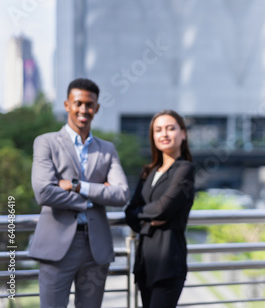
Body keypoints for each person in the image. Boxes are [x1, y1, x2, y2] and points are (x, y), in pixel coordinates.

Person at [29, 78, 130, 308]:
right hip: (57, 247)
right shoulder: (46, 143)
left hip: (96, 248)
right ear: (67, 105)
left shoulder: (107, 149)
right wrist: (94, 198)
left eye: (89, 104)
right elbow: (44, 193)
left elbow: (122, 194)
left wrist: (77, 186)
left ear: (97, 108)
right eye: (78, 103)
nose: (84, 109)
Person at [125, 110, 195, 308]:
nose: (164, 134)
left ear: (183, 134)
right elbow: (129, 212)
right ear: (153, 136)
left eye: (170, 128)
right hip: (145, 263)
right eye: (158, 130)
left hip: (168, 263)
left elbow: (164, 208)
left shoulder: (184, 170)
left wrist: (142, 217)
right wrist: (150, 221)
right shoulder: (148, 172)